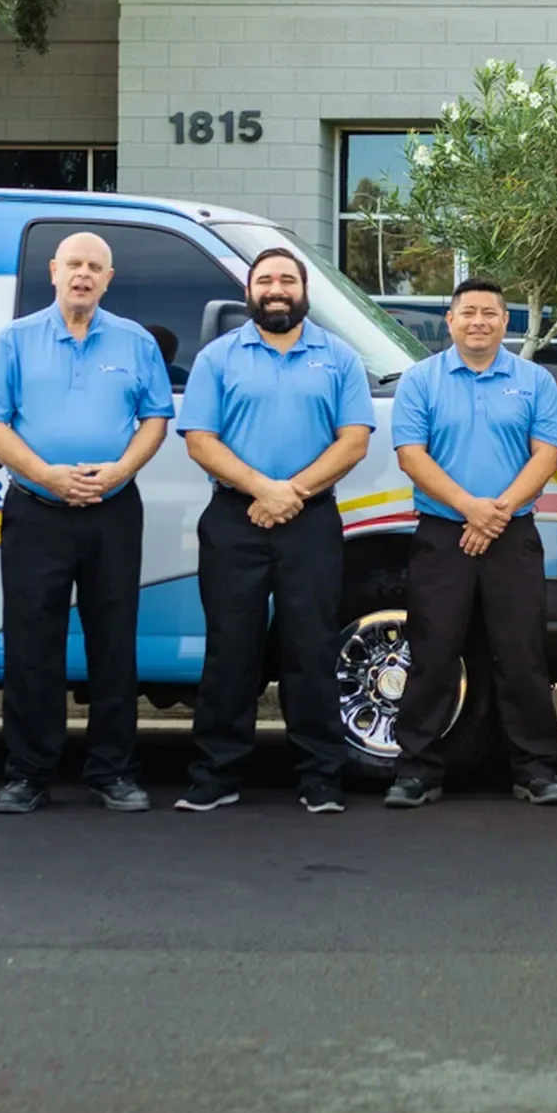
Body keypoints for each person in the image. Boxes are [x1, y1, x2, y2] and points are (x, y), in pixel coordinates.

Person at [0, 231, 174, 816]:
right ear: (54, 271)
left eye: (95, 267)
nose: (83, 274)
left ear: (108, 279)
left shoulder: (136, 341)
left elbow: (155, 419)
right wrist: (47, 475)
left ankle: (114, 771)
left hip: (114, 511)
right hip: (36, 510)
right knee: (31, 645)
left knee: (114, 643)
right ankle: (28, 774)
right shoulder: (15, 340)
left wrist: (119, 472)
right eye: (74, 264)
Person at [174, 247, 375, 813]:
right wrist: (264, 490)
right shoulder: (218, 357)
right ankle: (216, 775)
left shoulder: (338, 357)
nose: (276, 288)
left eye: (288, 279)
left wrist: (290, 494)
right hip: (234, 520)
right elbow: (200, 440)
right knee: (230, 650)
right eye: (265, 280)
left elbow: (354, 441)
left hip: (310, 521)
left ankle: (320, 777)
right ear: (249, 291)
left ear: (304, 291)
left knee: (311, 650)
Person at [385, 276, 557, 809]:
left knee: (522, 654)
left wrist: (496, 512)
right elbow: (411, 455)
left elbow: (546, 455)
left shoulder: (535, 381)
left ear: (505, 321)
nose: (479, 322)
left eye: (490, 313)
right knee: (433, 652)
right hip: (444, 534)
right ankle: (416, 770)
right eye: (468, 313)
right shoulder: (421, 380)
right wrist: (471, 509)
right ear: (450, 321)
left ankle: (536, 768)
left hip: (512, 534)